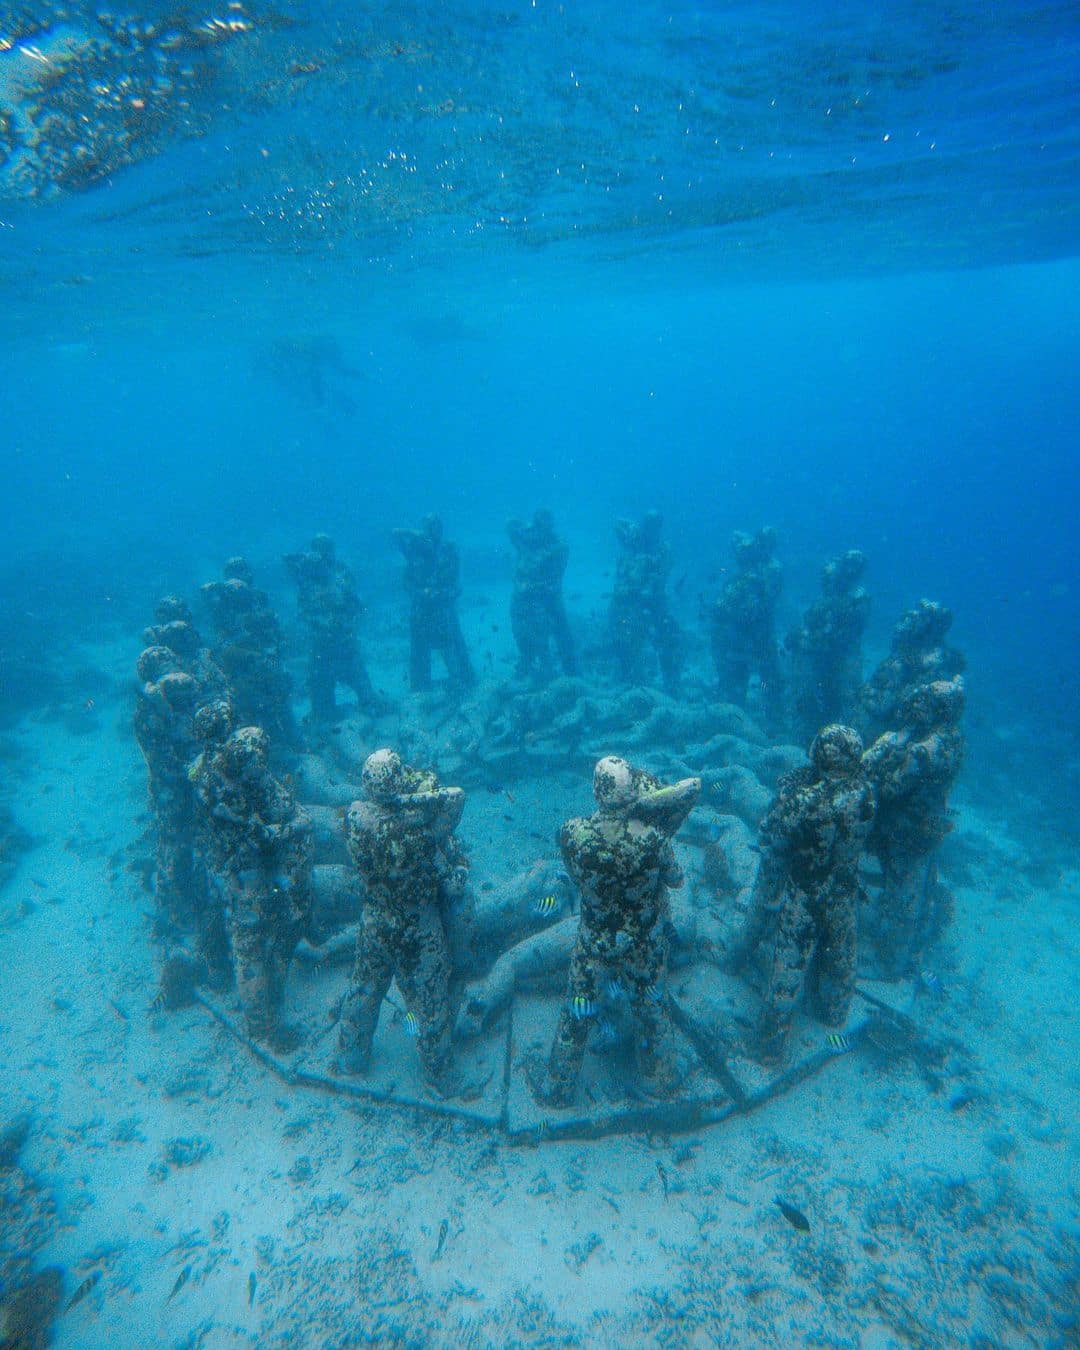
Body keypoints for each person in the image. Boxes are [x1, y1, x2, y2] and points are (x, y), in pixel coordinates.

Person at [534, 756, 700, 1106]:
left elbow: (577, 876)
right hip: (644, 940)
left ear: (596, 791)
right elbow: (676, 879)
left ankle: (558, 1087)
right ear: (633, 793)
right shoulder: (653, 839)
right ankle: (660, 1079)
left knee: (576, 1012)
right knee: (651, 1008)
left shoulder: (572, 833)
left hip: (594, 939)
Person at [338, 749, 471, 1096]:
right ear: (397, 782)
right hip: (417, 926)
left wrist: (389, 799)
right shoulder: (418, 831)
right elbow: (456, 797)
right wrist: (409, 798)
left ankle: (351, 1059)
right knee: (429, 1000)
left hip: (376, 919)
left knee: (364, 989)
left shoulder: (354, 816)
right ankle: (439, 1079)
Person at [750, 725, 875, 1063]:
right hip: (844, 888)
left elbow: (771, 835)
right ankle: (833, 1014)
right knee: (842, 954)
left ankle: (770, 1048)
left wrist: (788, 798)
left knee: (788, 968)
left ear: (818, 753)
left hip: (806, 893)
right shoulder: (866, 794)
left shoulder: (805, 800)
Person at [191, 705, 313, 1047]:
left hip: (222, 868)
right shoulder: (242, 775)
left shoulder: (201, 771)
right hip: (250, 875)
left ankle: (216, 972)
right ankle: (263, 1029)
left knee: (240, 939)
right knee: (254, 948)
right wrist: (295, 825)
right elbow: (275, 819)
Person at [862, 678, 965, 977]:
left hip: (905, 828)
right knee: (921, 885)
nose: (918, 704)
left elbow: (893, 788)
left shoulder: (923, 750)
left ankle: (889, 963)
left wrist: (883, 759)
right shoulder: (955, 739)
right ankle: (915, 949)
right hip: (932, 822)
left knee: (900, 893)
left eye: (926, 701)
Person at [284, 533, 386, 720]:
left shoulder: (341, 571)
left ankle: (372, 710)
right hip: (321, 645)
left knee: (364, 690)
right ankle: (325, 720)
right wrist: (307, 562)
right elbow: (289, 563)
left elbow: (354, 602)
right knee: (321, 699)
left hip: (345, 642)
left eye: (327, 548)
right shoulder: (305, 572)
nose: (323, 553)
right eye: (319, 548)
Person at [200, 557, 297, 747]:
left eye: (243, 572)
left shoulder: (258, 598)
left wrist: (274, 651)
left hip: (268, 664)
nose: (241, 580)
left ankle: (295, 744)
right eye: (236, 574)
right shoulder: (222, 606)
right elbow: (223, 646)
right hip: (245, 673)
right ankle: (274, 750)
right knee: (259, 712)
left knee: (283, 706)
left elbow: (274, 630)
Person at [787, 549, 871, 744]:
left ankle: (845, 745)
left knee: (845, 699)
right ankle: (806, 741)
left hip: (844, 659)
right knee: (810, 697)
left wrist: (804, 637)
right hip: (820, 658)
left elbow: (843, 635)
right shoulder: (828, 595)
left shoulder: (859, 598)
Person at [858, 599, 964, 739]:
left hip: (894, 727)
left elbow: (882, 705)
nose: (903, 625)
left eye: (917, 618)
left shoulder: (922, 660)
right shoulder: (907, 658)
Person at [392, 515, 475, 692]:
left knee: (451, 642)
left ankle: (463, 679)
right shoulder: (415, 549)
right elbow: (396, 535)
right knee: (419, 646)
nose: (434, 531)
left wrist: (442, 593)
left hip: (443, 606)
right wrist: (413, 533)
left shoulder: (448, 549)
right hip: (420, 607)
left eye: (437, 527)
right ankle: (420, 686)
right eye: (429, 527)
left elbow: (454, 577)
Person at [710, 527, 782, 728]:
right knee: (736, 676)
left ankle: (773, 721)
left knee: (768, 676)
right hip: (742, 635)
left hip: (759, 633)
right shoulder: (749, 569)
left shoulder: (769, 569)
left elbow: (762, 602)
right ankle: (732, 720)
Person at [608, 511, 681, 693]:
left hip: (654, 603)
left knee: (666, 641)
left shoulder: (663, 549)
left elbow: (662, 574)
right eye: (647, 524)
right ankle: (630, 684)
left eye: (654, 526)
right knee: (627, 644)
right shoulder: (634, 542)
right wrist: (635, 530)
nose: (650, 529)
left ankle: (671, 685)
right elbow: (618, 522)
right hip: (627, 604)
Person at [506, 510, 577, 680]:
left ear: (550, 527)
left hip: (549, 600)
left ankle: (570, 673)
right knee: (523, 634)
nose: (541, 530)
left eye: (545, 526)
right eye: (538, 525)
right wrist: (528, 528)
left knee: (560, 634)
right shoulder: (526, 539)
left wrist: (532, 587)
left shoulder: (559, 546)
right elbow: (510, 523)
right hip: (523, 600)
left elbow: (555, 578)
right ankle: (527, 668)